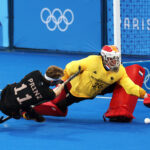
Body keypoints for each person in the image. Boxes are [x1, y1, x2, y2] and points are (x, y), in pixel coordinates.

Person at [34, 45, 150, 122]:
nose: (116, 62)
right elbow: (70, 67)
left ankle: (118, 112)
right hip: (75, 89)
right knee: (59, 105)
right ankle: (32, 105)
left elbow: (130, 87)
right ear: (104, 58)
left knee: (121, 84)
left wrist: (146, 95)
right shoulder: (92, 61)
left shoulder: (120, 71)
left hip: (94, 91)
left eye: (117, 58)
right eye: (113, 59)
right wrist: (61, 81)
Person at [0, 65, 67, 122]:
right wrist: (61, 86)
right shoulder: (48, 93)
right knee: (30, 108)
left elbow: (24, 78)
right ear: (52, 81)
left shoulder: (35, 73)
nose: (59, 81)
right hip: (9, 109)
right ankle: (23, 113)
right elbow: (56, 93)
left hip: (5, 93)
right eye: (58, 80)